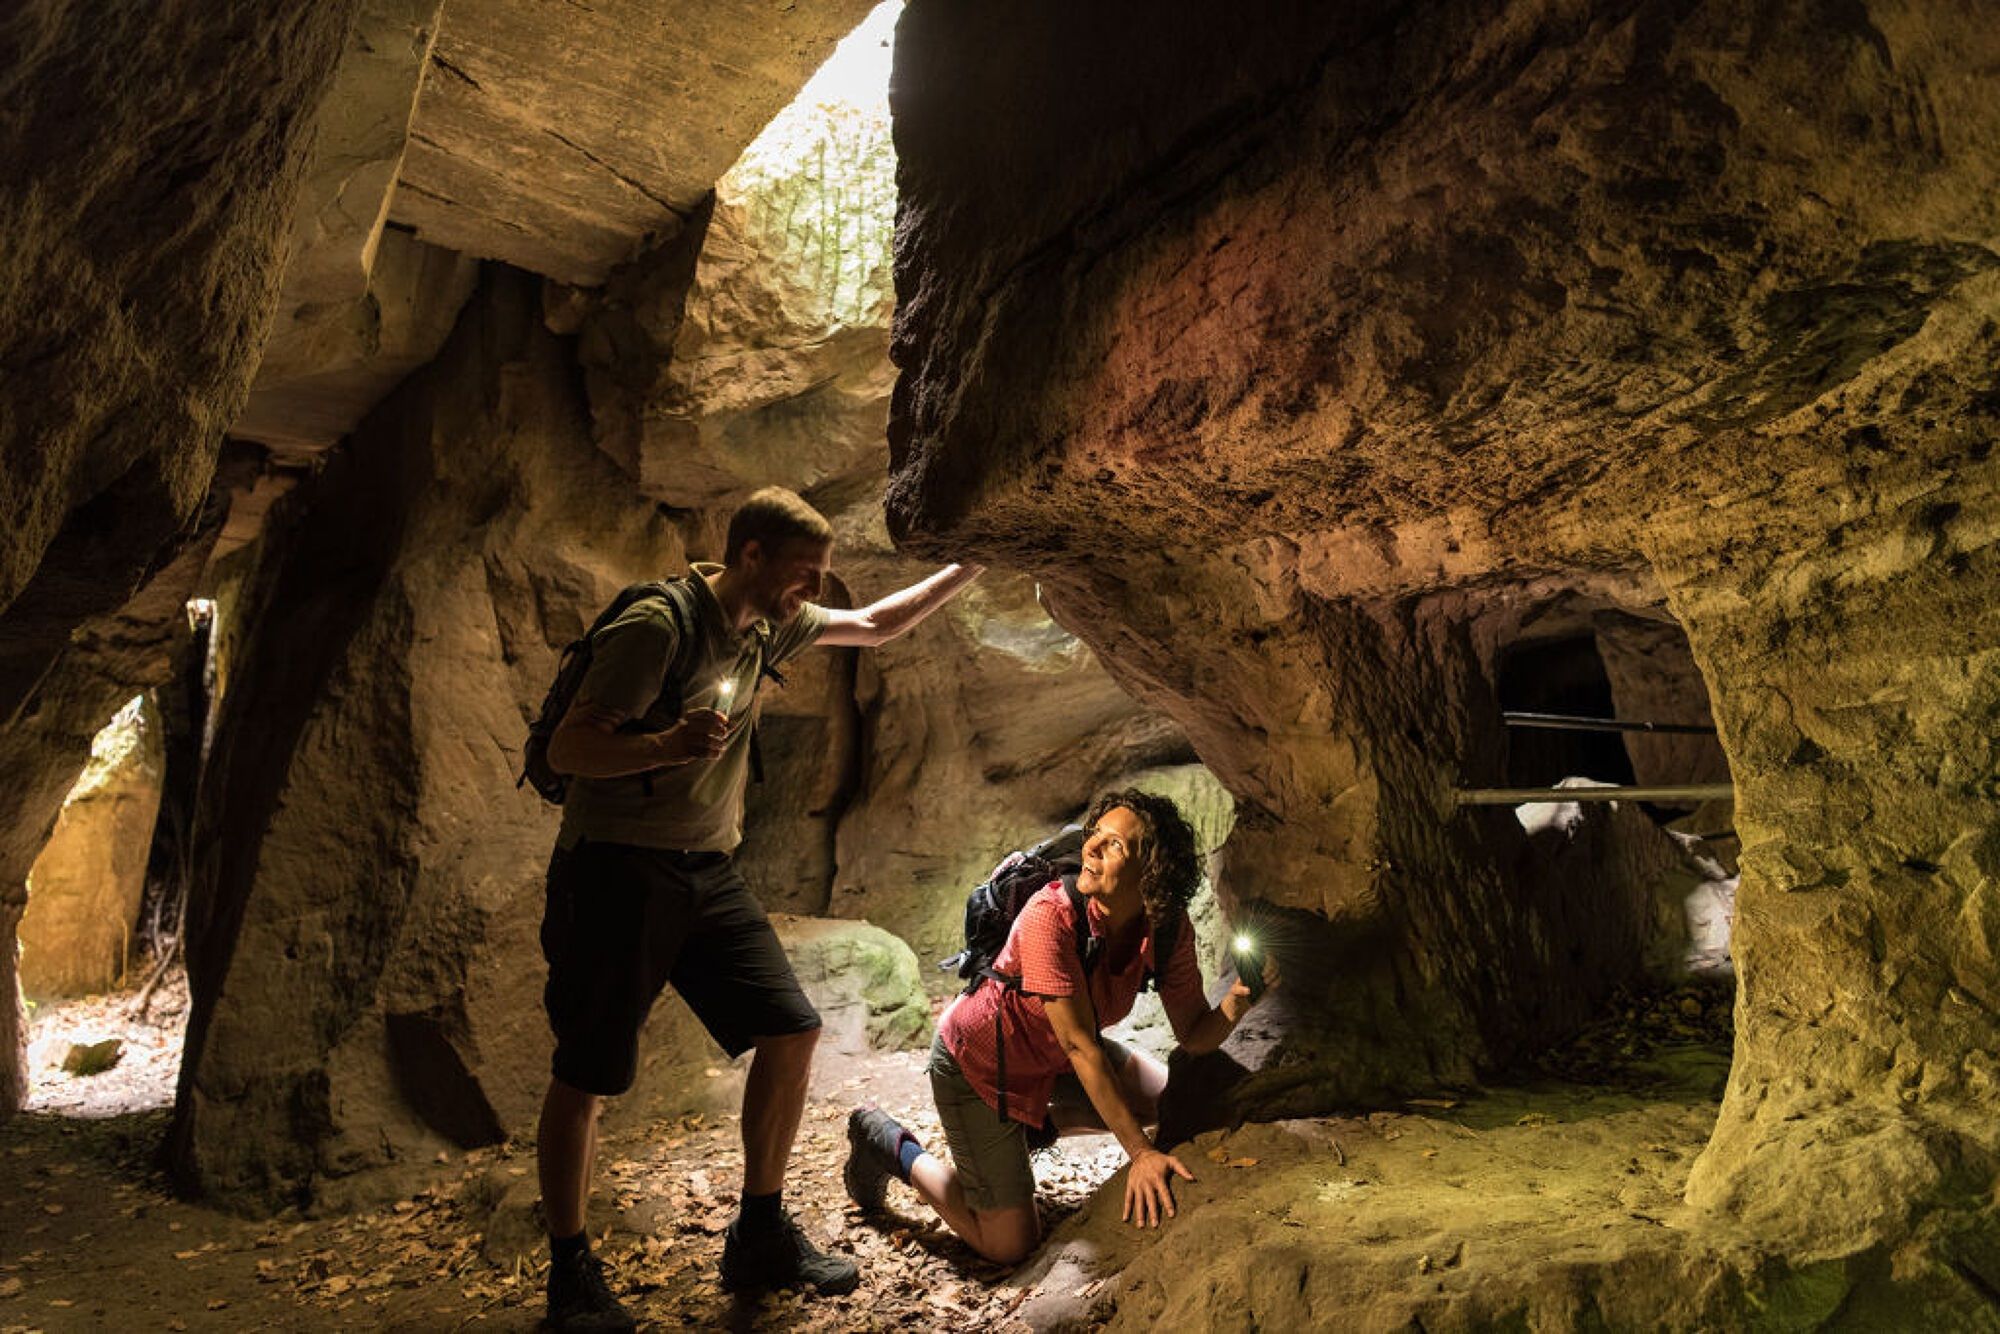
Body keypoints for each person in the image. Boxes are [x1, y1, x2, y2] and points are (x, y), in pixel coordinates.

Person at [536, 486, 982, 1330]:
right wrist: (664, 744)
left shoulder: (769, 626)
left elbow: (876, 624)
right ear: (750, 556)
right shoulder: (658, 628)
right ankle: (570, 1276)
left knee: (790, 1028)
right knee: (586, 1074)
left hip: (704, 871)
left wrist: (972, 562)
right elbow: (569, 747)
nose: (812, 589)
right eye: (804, 572)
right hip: (615, 871)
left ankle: (760, 1233)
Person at [842, 790, 1280, 1265]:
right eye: (1096, 834)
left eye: (1115, 845)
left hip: (1053, 1059)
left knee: (1167, 1101)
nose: (1092, 847)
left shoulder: (1166, 928)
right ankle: (887, 1145)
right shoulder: (1050, 914)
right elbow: (1080, 1046)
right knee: (1008, 1245)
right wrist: (1140, 1154)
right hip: (981, 1064)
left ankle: (1030, 1131)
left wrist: (1238, 1002)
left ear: (1151, 876)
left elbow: (1193, 1033)